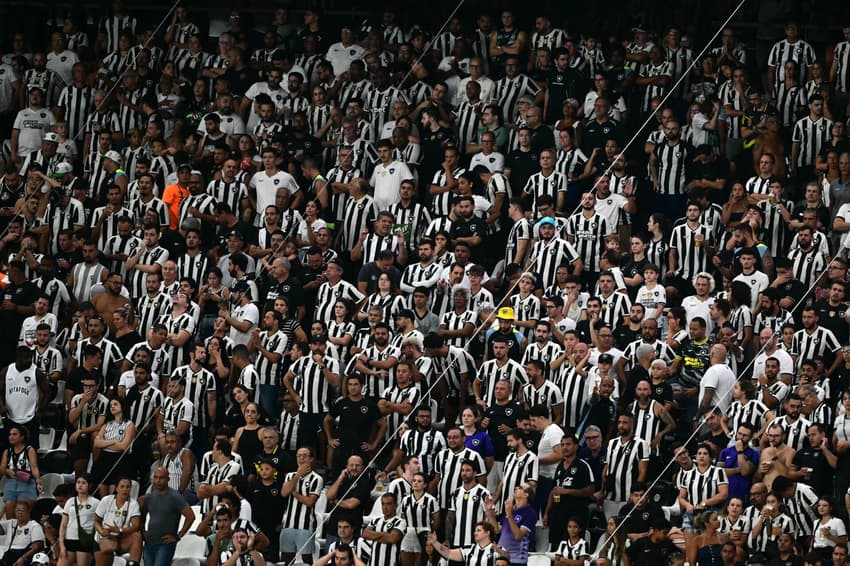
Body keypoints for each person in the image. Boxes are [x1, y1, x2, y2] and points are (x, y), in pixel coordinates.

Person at [58, 475, 100, 566]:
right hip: (69, 539)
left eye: (83, 483)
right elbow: (63, 525)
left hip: (84, 540)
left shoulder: (96, 502)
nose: (80, 485)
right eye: (78, 482)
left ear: (90, 485)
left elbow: (99, 522)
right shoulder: (70, 501)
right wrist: (62, 545)